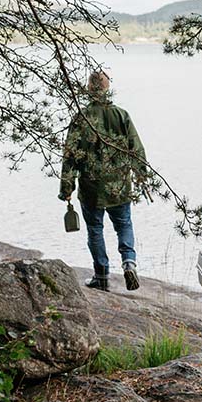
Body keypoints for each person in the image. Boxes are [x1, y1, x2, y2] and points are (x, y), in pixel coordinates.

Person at [59, 71, 147, 292]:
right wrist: (142, 175)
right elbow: (136, 148)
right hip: (119, 186)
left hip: (91, 187)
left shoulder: (81, 118)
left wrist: (67, 187)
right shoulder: (121, 115)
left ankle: (102, 276)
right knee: (124, 225)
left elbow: (70, 155)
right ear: (108, 89)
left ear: (89, 89)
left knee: (95, 230)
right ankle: (129, 262)